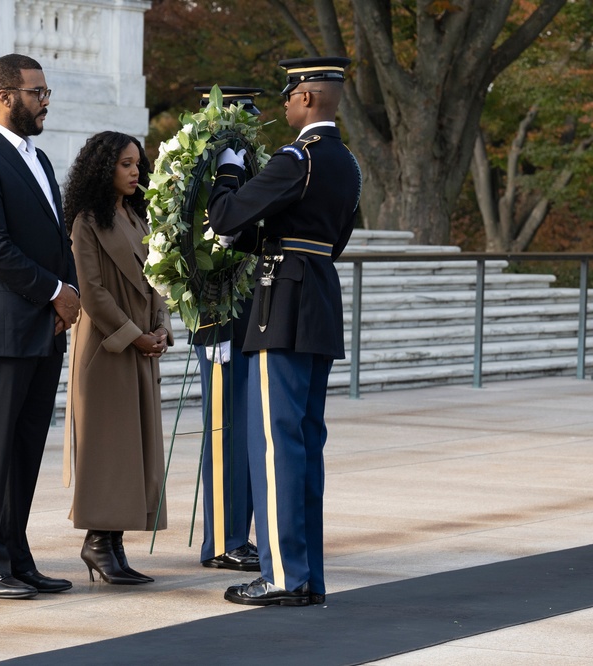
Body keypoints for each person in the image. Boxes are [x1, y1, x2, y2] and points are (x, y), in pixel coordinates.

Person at [207, 56, 361, 606]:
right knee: (304, 447)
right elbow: (321, 239)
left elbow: (226, 215)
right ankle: (306, 575)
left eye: (292, 94)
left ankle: (281, 577)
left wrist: (227, 168)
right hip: (317, 299)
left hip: (284, 308)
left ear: (310, 98)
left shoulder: (298, 157)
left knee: (275, 447)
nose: (287, 102)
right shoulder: (346, 164)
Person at [0, 53, 80, 599]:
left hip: (43, 326)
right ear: (5, 96)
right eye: (36, 92)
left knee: (25, 448)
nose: (45, 100)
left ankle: (15, 555)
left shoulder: (40, 159)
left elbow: (56, 236)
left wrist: (66, 295)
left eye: (44, 91)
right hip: (2, 324)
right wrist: (55, 291)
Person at [62, 131, 170, 585]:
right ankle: (98, 543)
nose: (135, 172)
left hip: (141, 344)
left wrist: (162, 326)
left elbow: (158, 279)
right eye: (126, 164)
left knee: (135, 450)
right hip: (107, 348)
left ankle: (115, 545)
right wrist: (133, 335)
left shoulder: (138, 217)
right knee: (108, 449)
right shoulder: (87, 221)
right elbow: (92, 291)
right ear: (103, 167)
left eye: (138, 164)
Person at [193, 301, 259, 574]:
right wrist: (213, 329)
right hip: (224, 329)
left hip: (254, 326)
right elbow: (204, 263)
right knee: (226, 438)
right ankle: (222, 542)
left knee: (245, 440)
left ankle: (237, 537)